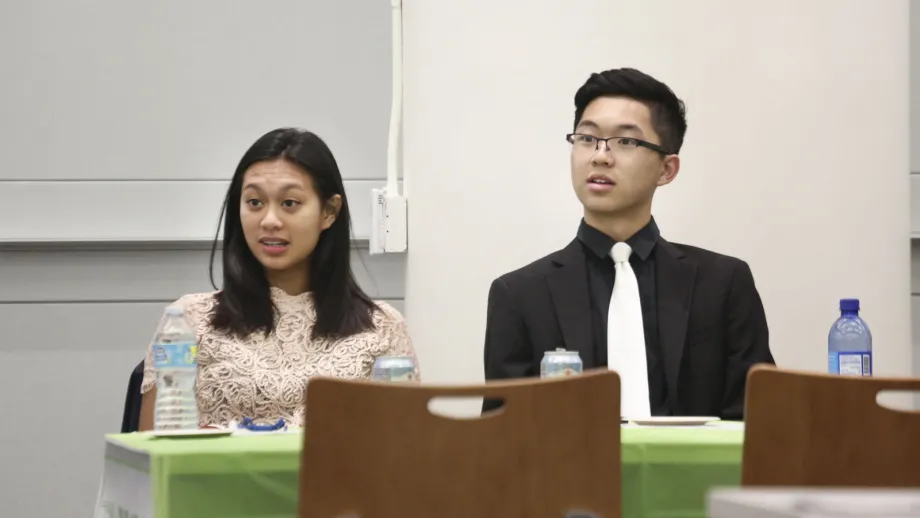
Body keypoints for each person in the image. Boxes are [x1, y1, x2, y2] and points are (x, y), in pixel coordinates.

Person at [482, 68, 774, 420]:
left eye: (627, 142)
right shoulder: (520, 295)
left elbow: (757, 422)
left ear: (667, 169)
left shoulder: (723, 284)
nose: (600, 156)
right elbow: (502, 439)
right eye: (587, 138)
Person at [139, 128, 419, 430]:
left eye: (289, 203)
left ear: (329, 211)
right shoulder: (189, 320)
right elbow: (154, 455)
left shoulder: (382, 327)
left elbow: (404, 454)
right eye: (255, 202)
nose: (269, 221)